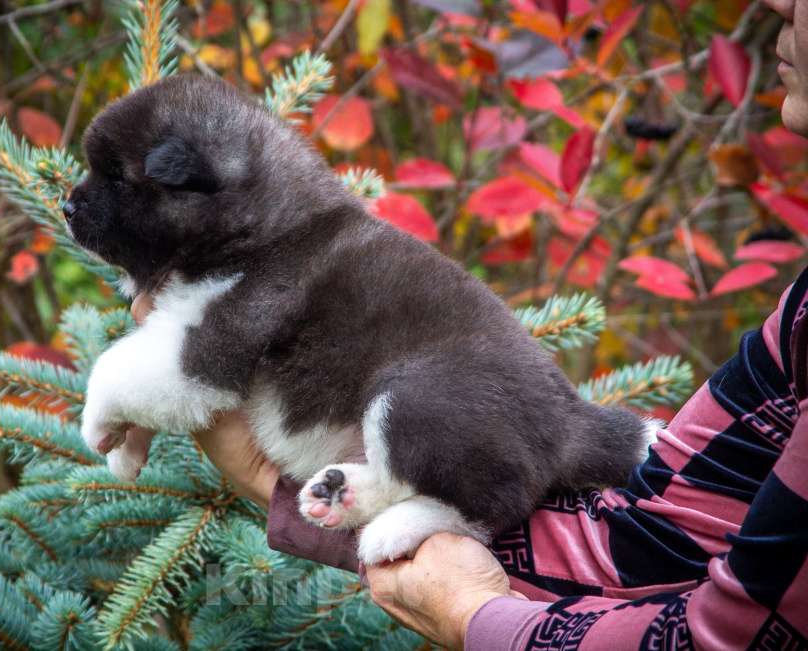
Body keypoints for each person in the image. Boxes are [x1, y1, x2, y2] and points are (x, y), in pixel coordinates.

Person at [127, 1, 808, 647]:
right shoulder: (799, 313)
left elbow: (726, 637)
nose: (776, 4)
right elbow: (656, 535)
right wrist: (269, 477)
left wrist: (472, 615)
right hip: (470, 454)